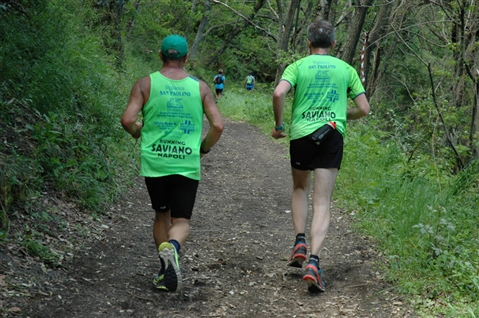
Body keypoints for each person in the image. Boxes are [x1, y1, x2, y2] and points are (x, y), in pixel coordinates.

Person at [271, 19, 370, 293]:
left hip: (301, 134)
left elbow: (279, 92)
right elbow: (364, 108)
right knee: (323, 201)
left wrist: (279, 126)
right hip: (332, 134)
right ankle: (314, 262)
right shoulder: (346, 69)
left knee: (300, 187)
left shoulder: (298, 66)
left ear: (308, 42)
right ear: (334, 43)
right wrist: (342, 114)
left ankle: (299, 241)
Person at [121, 34, 224, 292]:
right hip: (186, 163)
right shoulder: (200, 88)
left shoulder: (145, 84)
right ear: (186, 57)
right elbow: (218, 126)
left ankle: (163, 268)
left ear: (160, 55)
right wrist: (203, 149)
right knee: (182, 220)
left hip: (156, 162)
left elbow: (127, 120)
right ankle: (174, 248)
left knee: (161, 214)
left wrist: (137, 132)